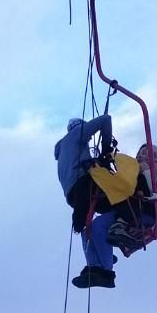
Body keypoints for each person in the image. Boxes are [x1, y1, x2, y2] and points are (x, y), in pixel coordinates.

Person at [54, 113, 118, 289]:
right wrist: (106, 151)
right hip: (84, 185)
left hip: (73, 195)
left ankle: (97, 260)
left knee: (85, 227)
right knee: (121, 203)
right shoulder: (77, 135)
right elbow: (106, 119)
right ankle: (105, 265)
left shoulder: (62, 152)